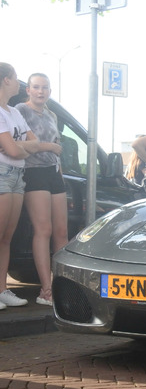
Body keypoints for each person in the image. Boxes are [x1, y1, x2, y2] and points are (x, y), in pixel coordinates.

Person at [0, 63, 61, 309]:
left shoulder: (12, 113)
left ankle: (2, 289)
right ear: (5, 80)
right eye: (17, 79)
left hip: (17, 174)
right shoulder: (11, 111)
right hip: (4, 173)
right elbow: (16, 149)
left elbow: (29, 144)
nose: (20, 84)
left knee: (7, 238)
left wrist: (20, 147)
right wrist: (21, 147)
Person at [15, 73, 67, 306]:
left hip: (54, 173)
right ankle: (45, 290)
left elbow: (56, 149)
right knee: (43, 230)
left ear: (50, 91)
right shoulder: (20, 110)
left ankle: (60, 286)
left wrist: (60, 171)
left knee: (62, 233)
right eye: (36, 87)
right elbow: (27, 144)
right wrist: (51, 147)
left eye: (45, 88)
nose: (40, 91)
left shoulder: (51, 114)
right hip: (33, 172)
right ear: (28, 90)